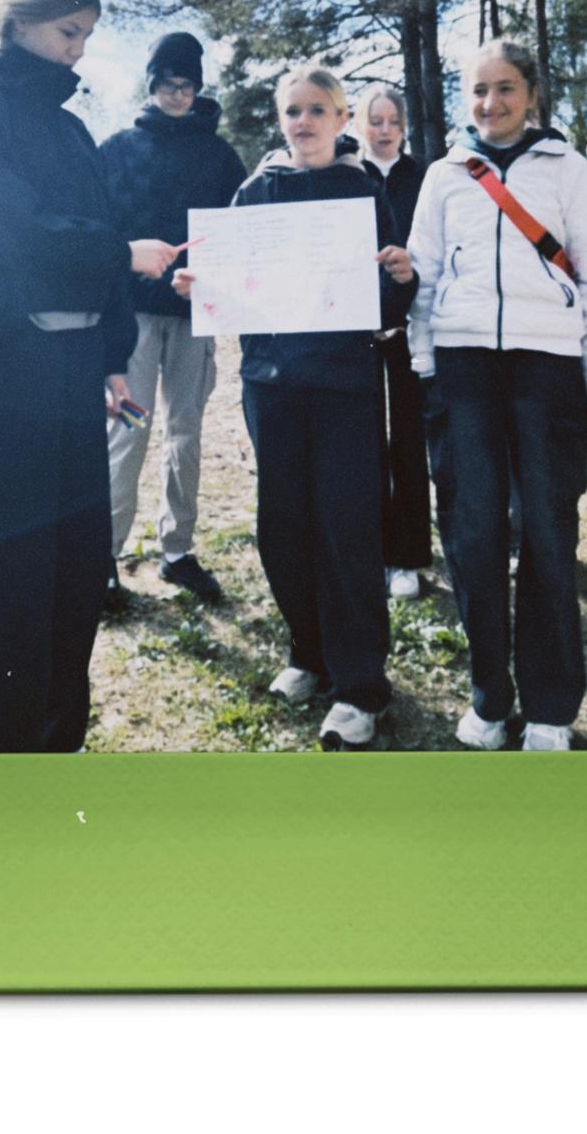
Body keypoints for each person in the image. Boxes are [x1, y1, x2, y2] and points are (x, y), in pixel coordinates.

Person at [0, 0, 177, 753]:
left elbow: (94, 242)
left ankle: (54, 744)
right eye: (70, 30)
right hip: (10, 367)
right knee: (12, 572)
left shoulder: (73, 130)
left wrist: (112, 358)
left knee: (75, 569)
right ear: (22, 17)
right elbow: (7, 231)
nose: (79, 48)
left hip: (76, 373)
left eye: (87, 35)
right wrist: (120, 253)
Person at [176, 69, 417, 749]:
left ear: (342, 119)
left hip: (345, 389)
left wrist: (402, 280)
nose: (304, 122)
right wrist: (201, 286)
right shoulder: (255, 192)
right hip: (272, 386)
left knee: (347, 530)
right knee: (283, 527)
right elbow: (231, 283)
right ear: (280, 120)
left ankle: (361, 688)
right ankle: (308, 654)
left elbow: (387, 299)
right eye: (292, 111)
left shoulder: (364, 191)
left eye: (317, 109)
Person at [407, 40, 587, 752]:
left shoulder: (568, 169)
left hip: (546, 369)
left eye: (505, 88)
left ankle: (551, 707)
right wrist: (425, 363)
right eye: (478, 90)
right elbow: (425, 274)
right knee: (471, 535)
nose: (490, 103)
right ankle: (489, 699)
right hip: (463, 368)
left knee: (547, 534)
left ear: (531, 94)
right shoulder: (443, 175)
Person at [99, 32, 247, 601]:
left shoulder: (220, 156)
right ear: (152, 84)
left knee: (184, 432)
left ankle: (177, 552)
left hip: (193, 318)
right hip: (133, 322)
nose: (177, 94)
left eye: (187, 84)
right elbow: (101, 234)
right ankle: (105, 559)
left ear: (198, 87)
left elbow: (240, 229)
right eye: (167, 83)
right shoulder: (118, 150)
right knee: (129, 430)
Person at [353, 84, 433, 602]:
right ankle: (371, 550)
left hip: (411, 328)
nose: (384, 130)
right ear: (358, 125)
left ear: (404, 126)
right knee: (363, 444)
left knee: (408, 442)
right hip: (357, 333)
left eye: (393, 121)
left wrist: (404, 310)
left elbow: (430, 253)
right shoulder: (346, 177)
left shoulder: (425, 177)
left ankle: (408, 556)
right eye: (374, 120)